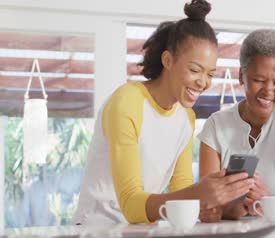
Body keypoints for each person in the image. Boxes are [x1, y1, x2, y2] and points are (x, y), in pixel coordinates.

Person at [73, 0, 254, 225]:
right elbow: (130, 204)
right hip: (96, 231)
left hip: (141, 234)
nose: (203, 82)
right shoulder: (127, 102)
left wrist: (210, 207)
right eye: (195, 70)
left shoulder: (185, 118)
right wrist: (198, 195)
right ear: (168, 60)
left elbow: (181, 190)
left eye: (210, 74)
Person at [197, 29, 275, 222]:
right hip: (237, 235)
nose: (268, 91)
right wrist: (233, 209)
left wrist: (266, 203)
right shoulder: (216, 125)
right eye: (259, 80)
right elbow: (209, 202)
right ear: (241, 76)